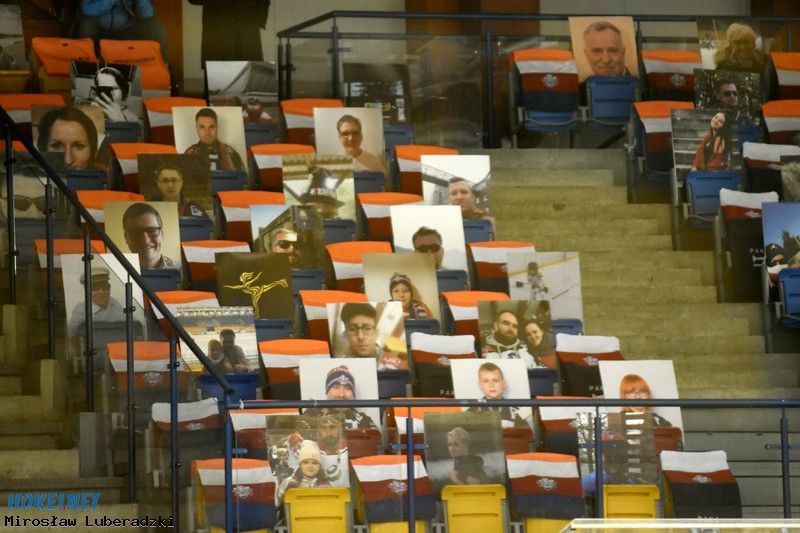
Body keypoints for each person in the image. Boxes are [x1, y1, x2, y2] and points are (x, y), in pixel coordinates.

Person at [70, 0, 168, 57]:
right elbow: (87, 9)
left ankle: (164, 72)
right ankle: (84, 70)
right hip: (99, 32)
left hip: (127, 31)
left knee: (156, 27)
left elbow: (146, 15)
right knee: (86, 25)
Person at [187, 0, 270, 66]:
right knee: (216, 75)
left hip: (245, 30)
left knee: (249, 74)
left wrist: (260, 20)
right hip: (217, 31)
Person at [67, 266, 126, 348]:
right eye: (95, 287)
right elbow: (72, 339)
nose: (101, 292)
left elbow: (133, 326)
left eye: (105, 287)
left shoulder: (114, 303)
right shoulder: (81, 309)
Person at [303, 365, 377, 430]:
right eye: (336, 387)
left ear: (353, 394)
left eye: (347, 388)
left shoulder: (364, 421)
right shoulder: (311, 415)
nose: (341, 394)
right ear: (327, 391)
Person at [466, 362, 527, 429]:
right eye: (486, 381)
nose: (491, 385)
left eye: (495, 380)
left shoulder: (515, 410)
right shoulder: (472, 411)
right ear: (480, 385)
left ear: (503, 384)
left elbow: (526, 434)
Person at [184, 107, 246, 172]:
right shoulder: (189, 154)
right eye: (202, 127)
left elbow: (243, 178)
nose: (207, 132)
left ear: (217, 128)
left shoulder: (231, 154)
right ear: (197, 129)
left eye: (211, 127)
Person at [275, 440, 331, 506]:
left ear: (320, 466)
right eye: (305, 462)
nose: (310, 466)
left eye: (314, 463)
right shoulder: (287, 482)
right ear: (300, 464)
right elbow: (278, 503)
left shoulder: (328, 485)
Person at [122, 202, 176, 269]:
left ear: (162, 235)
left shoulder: (180, 271)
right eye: (135, 233)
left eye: (152, 231)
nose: (145, 241)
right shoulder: (116, 272)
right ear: (126, 237)